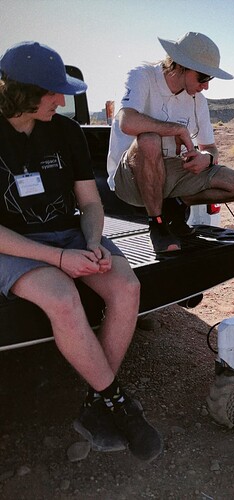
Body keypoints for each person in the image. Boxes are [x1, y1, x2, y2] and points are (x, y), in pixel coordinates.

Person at [0, 42, 162, 461]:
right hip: (13, 244)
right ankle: (116, 400)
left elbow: (89, 202)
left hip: (71, 235)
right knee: (62, 297)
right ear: (22, 91)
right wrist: (57, 260)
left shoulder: (66, 131)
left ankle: (96, 403)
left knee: (126, 287)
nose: (62, 100)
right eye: (53, 92)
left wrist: (91, 243)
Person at [107, 32, 234, 254]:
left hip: (172, 174)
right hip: (129, 178)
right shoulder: (142, 76)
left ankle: (176, 206)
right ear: (181, 65)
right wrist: (177, 129)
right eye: (203, 78)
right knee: (149, 140)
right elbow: (127, 122)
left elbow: (210, 147)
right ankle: (156, 224)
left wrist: (207, 158)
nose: (205, 86)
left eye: (209, 80)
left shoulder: (198, 100)